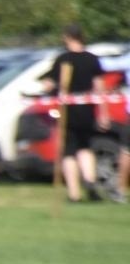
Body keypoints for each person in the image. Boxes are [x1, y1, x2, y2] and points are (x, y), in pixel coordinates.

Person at [39, 24, 104, 203]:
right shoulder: (92, 59)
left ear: (67, 37)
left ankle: (74, 193)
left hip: (68, 111)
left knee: (69, 151)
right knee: (85, 147)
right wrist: (103, 112)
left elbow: (49, 84)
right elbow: (99, 86)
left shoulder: (63, 59)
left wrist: (45, 86)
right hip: (87, 110)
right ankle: (90, 182)